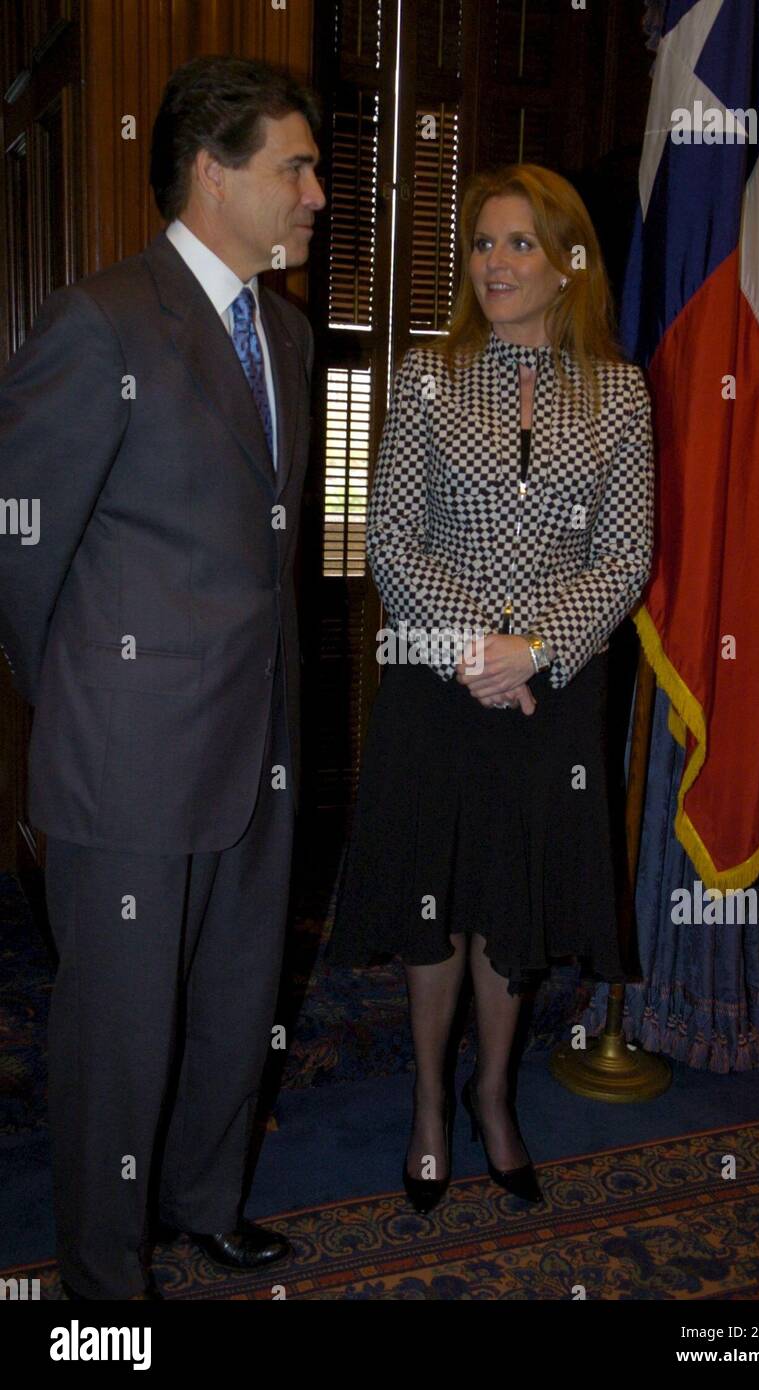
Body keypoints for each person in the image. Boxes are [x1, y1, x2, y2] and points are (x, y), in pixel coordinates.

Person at [0, 55, 325, 1299]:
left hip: (261, 744)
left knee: (239, 998)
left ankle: (202, 1201)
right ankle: (100, 1278)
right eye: (294, 167)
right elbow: (21, 535)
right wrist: (82, 697)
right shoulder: (102, 320)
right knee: (119, 1040)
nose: (314, 195)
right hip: (131, 753)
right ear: (212, 168)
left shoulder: (287, 333)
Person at [327, 163, 654, 1213]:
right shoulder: (428, 376)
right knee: (436, 898)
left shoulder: (620, 389)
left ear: (569, 263)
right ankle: (428, 1099)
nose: (497, 262)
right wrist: (479, 646)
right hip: (436, 678)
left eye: (521, 243)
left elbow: (627, 555)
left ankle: (493, 1094)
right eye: (483, 242)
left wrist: (534, 650)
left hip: (554, 691)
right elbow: (391, 539)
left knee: (511, 904)